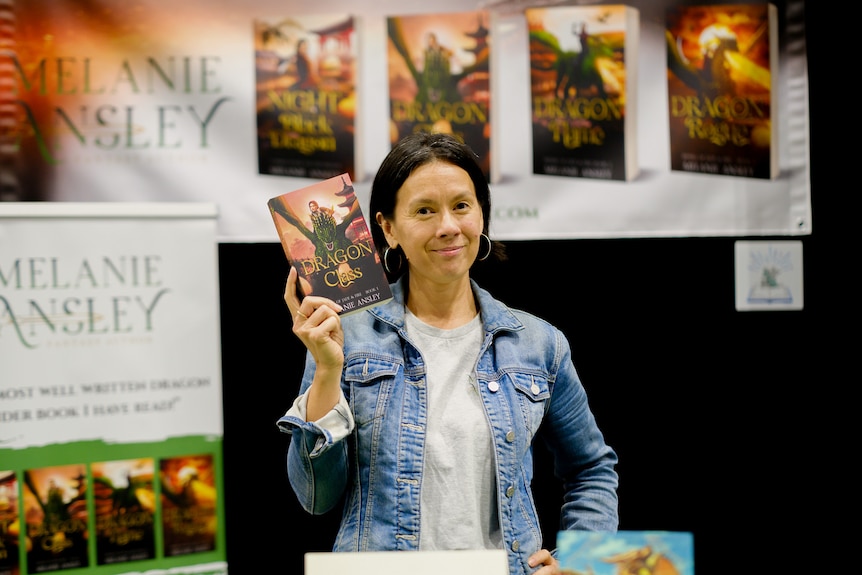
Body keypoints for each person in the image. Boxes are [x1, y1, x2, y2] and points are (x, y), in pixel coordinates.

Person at [277, 131, 619, 575]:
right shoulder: (345, 336)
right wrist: (326, 369)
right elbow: (316, 498)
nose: (448, 227)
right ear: (387, 228)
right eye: (424, 210)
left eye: (462, 205)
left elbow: (592, 468)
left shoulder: (540, 344)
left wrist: (581, 562)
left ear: (481, 214)